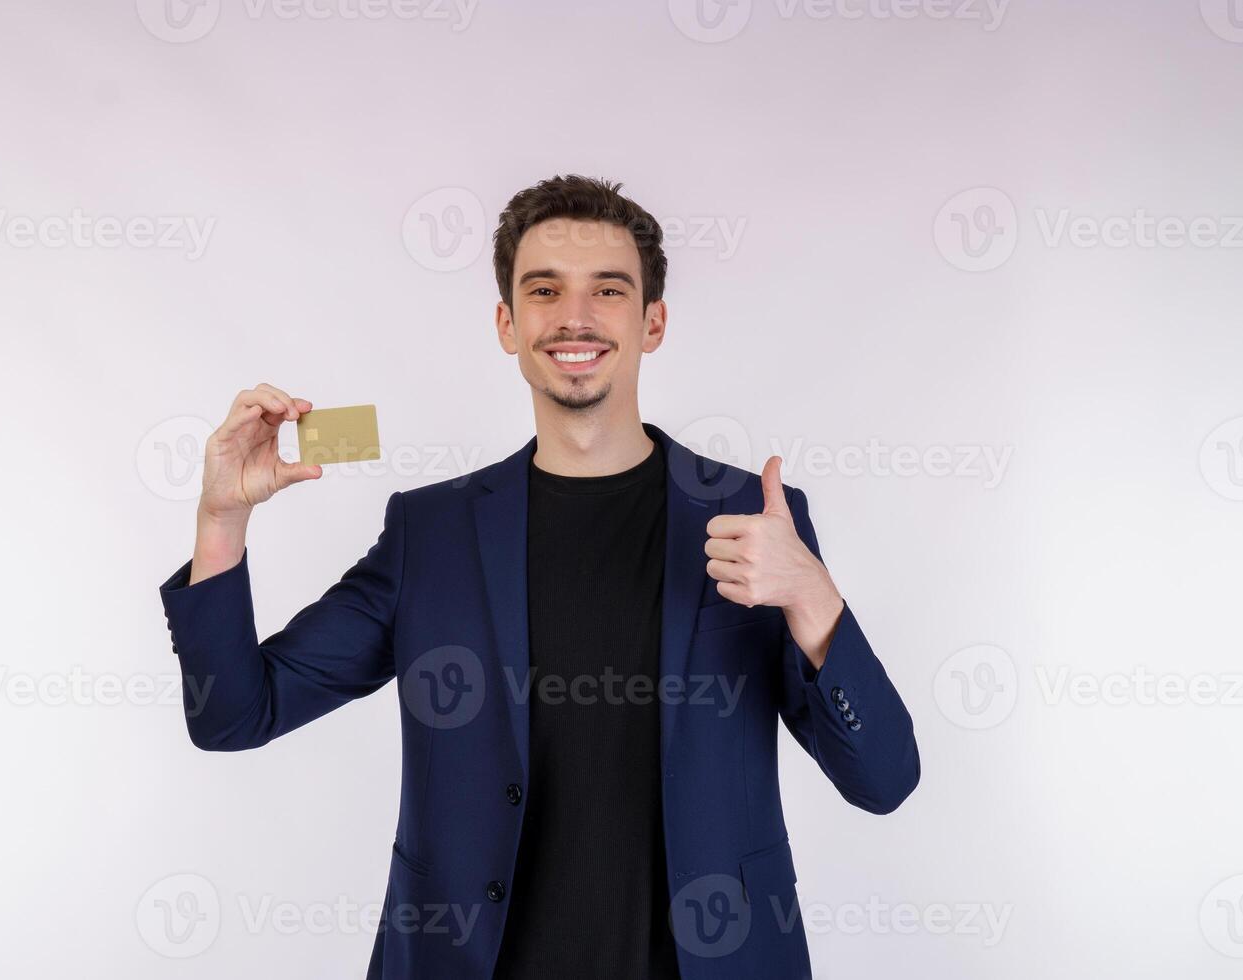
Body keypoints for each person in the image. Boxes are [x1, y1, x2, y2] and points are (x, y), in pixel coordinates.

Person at [158, 174, 921, 979]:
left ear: (653, 322)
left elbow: (885, 781)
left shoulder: (752, 517)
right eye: (545, 289)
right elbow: (235, 716)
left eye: (610, 290)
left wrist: (813, 596)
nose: (576, 317)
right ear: (507, 323)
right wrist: (220, 523)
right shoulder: (433, 533)